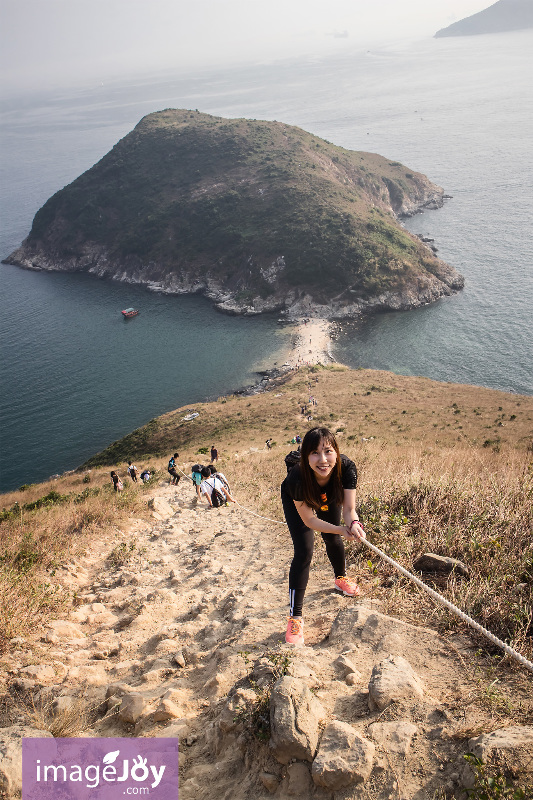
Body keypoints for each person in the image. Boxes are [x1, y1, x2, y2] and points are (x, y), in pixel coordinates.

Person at [281, 427, 366, 646]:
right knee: (304, 552)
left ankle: (341, 579)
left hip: (327, 497)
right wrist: (340, 528)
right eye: (315, 453)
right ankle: (295, 617)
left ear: (336, 452)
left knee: (332, 539)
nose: (323, 460)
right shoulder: (296, 478)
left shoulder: (347, 468)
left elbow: (349, 510)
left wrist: (353, 524)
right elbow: (310, 521)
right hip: (301, 498)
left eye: (328, 451)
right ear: (305, 455)